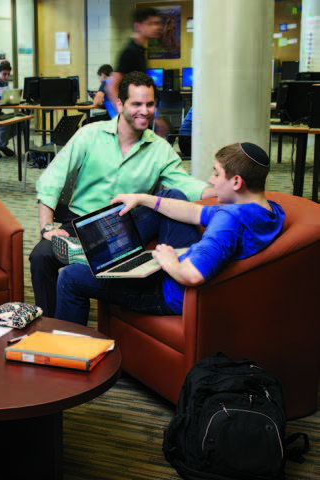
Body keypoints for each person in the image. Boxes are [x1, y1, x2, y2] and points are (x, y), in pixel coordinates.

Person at [30, 71, 215, 317]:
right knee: (40, 256)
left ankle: (92, 258)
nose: (145, 110)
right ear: (120, 104)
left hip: (126, 225)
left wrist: (218, 191)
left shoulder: (160, 149)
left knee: (170, 196)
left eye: (150, 104)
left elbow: (185, 184)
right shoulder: (90, 134)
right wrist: (46, 228)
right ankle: (52, 327)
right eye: (136, 104)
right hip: (80, 223)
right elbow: (53, 178)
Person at [55, 142, 285, 326]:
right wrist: (142, 198)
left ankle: (97, 256)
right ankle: (104, 255)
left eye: (216, 173)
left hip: (169, 292)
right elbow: (196, 213)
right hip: (186, 267)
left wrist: (168, 261)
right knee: (172, 195)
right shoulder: (271, 211)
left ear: (236, 181)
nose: (210, 180)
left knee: (70, 277)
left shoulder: (229, 220)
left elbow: (193, 275)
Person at [105, 8, 162, 111]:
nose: (156, 27)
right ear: (138, 26)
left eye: (158, 23)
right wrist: (122, 113)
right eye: (151, 23)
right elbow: (111, 85)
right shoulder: (130, 51)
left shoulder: (140, 50)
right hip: (130, 113)